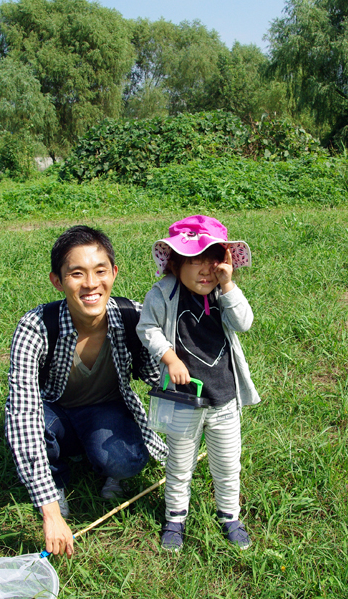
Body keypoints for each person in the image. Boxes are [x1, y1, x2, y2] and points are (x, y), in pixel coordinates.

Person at [5, 225, 167, 558]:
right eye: (77, 274)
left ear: (114, 273)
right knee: (33, 430)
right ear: (57, 280)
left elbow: (156, 378)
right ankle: (56, 479)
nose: (91, 284)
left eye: (100, 271)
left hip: (105, 408)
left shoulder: (134, 317)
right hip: (53, 411)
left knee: (126, 461)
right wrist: (49, 514)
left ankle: (96, 459)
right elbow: (22, 414)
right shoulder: (36, 327)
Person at [137, 215, 260, 552]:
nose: (205, 270)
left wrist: (229, 285)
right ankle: (175, 518)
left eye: (213, 260)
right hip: (183, 400)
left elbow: (244, 323)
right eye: (195, 261)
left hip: (224, 398)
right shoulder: (163, 293)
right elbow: (147, 328)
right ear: (175, 263)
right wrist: (169, 357)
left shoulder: (224, 292)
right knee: (179, 462)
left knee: (227, 463)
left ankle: (229, 516)